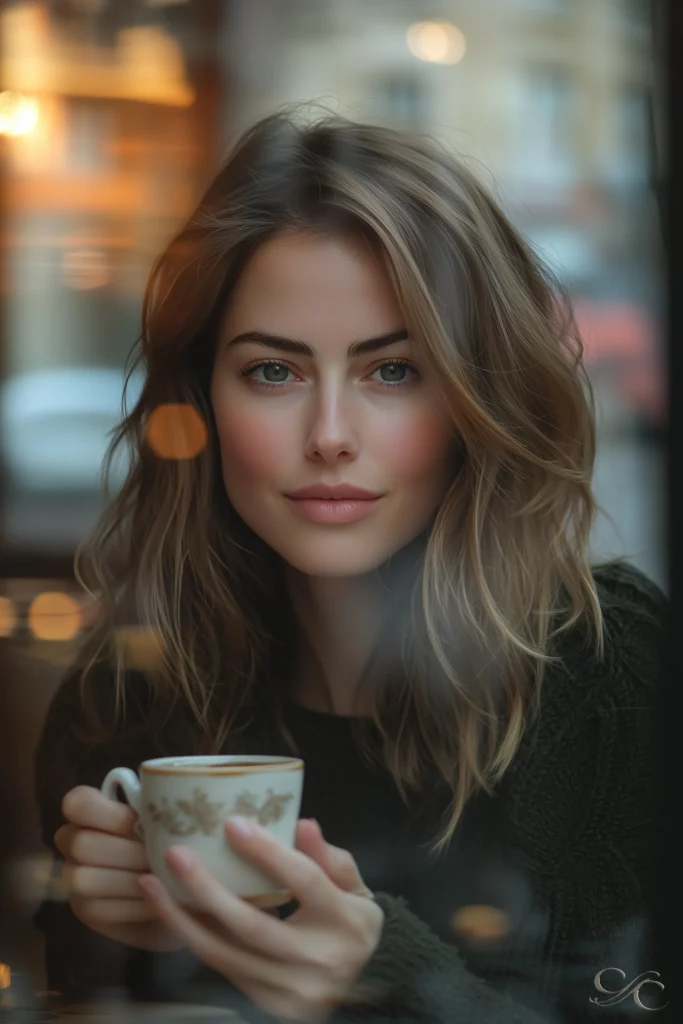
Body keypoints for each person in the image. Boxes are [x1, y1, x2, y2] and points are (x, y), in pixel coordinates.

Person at [33, 108, 667, 1023]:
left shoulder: (615, 676)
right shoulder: (126, 703)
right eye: (273, 374)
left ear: (473, 399)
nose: (330, 437)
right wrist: (107, 945)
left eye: (393, 372)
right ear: (199, 398)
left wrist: (382, 983)